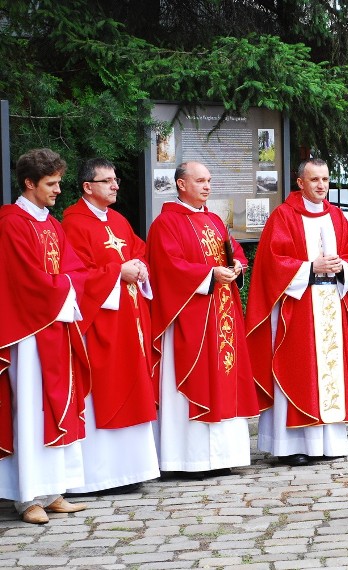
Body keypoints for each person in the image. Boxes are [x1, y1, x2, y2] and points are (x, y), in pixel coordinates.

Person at [246, 158, 348, 467]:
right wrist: (312, 267)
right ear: (301, 183)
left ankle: (329, 442)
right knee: (299, 371)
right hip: (297, 307)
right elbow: (272, 263)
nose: (322, 185)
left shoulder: (337, 217)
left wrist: (343, 267)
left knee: (329, 372)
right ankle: (291, 445)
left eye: (325, 179)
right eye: (315, 180)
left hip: (331, 306)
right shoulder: (283, 217)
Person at [147, 161, 259, 478]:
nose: (207, 186)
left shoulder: (213, 219)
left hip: (222, 312)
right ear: (182, 185)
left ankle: (224, 455)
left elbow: (231, 248)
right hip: (191, 317)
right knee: (196, 378)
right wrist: (210, 274)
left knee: (224, 378)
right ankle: (189, 460)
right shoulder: (166, 224)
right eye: (200, 181)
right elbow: (167, 267)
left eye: (209, 180)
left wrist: (237, 263)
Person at [61, 158, 160, 494]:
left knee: (133, 383)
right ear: (88, 187)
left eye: (116, 180)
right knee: (105, 390)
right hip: (101, 322)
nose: (115, 185)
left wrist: (141, 268)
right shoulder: (73, 223)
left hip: (129, 319)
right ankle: (100, 476)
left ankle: (132, 470)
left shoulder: (117, 219)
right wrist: (119, 273)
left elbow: (137, 251)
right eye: (107, 181)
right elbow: (75, 274)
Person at [0, 148, 89, 524]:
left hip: (55, 327)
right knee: (31, 410)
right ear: (29, 183)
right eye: (50, 184)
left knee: (56, 408)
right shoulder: (11, 223)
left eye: (58, 183)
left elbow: (73, 268)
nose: (57, 191)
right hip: (28, 332)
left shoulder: (50, 224)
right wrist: (64, 286)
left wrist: (67, 284)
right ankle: (27, 497)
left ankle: (53, 490)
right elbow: (23, 281)